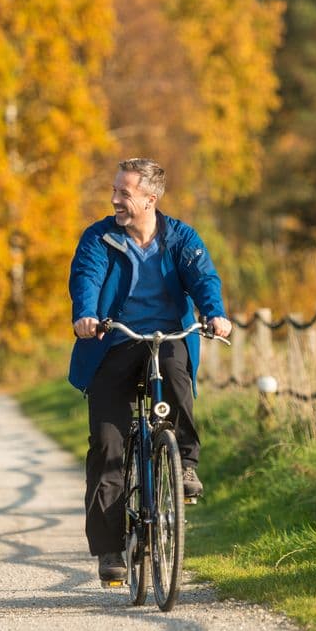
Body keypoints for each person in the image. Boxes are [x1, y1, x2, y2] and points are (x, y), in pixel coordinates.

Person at [68, 158, 232, 584]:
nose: (115, 199)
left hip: (166, 338)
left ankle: (184, 464)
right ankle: (109, 549)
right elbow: (86, 278)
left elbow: (204, 279)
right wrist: (86, 315)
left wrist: (214, 314)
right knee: (108, 445)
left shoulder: (180, 237)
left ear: (150, 199)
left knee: (176, 371)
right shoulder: (99, 238)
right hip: (113, 342)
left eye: (124, 193)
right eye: (115, 191)